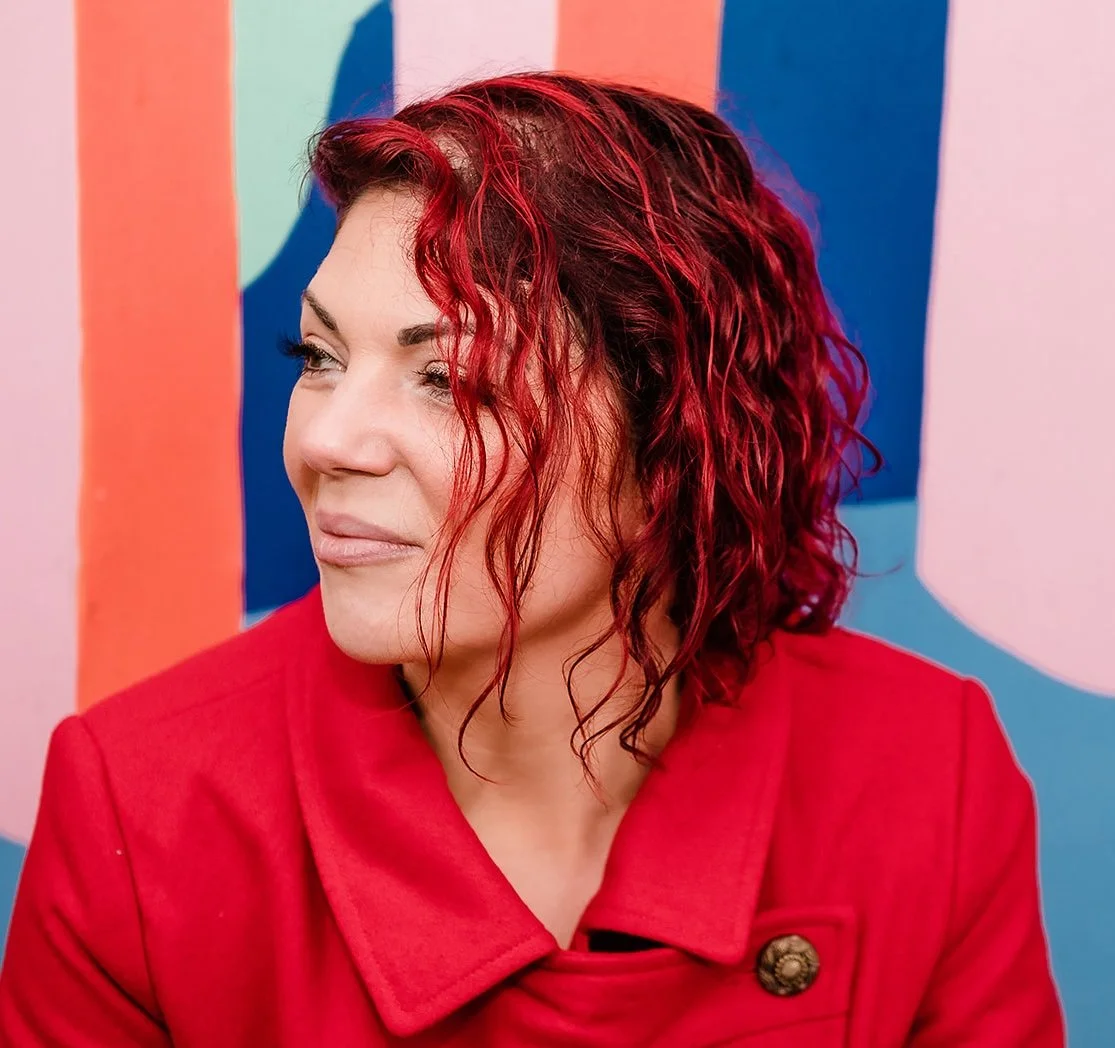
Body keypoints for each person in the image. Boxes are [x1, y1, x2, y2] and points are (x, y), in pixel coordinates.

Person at [0, 72, 1064, 1046]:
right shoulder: (141, 808)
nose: (324, 439)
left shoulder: (926, 775)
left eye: (448, 381)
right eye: (318, 356)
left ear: (675, 440)